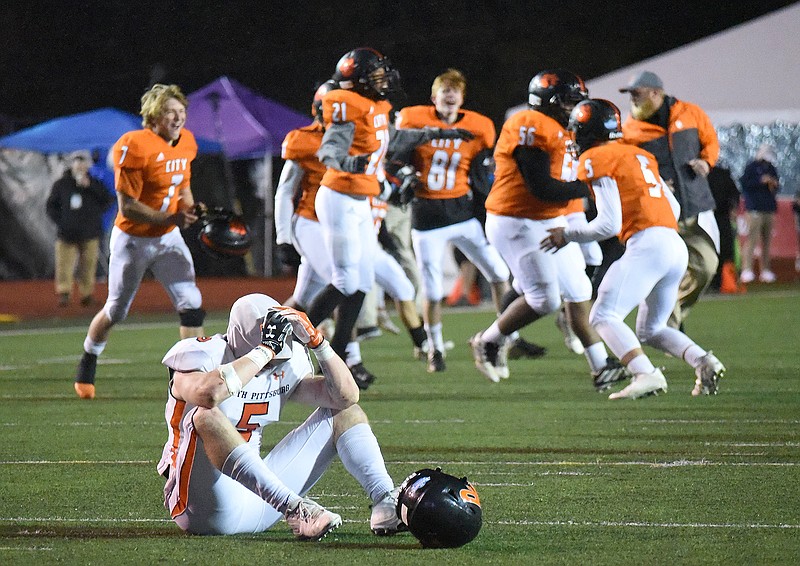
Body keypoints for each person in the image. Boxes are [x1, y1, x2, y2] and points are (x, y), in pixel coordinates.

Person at [158, 293, 404, 538]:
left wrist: (319, 344)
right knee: (205, 416)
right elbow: (209, 394)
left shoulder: (286, 359)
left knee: (345, 413)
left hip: (261, 498)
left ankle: (384, 501)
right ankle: (294, 508)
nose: (275, 362)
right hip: (199, 507)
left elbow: (346, 397)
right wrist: (264, 351)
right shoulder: (204, 354)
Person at [541, 98, 726, 398]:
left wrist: (567, 234)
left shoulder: (597, 157)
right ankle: (704, 362)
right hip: (673, 244)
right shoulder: (638, 154)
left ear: (587, 131)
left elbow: (607, 225)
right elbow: (675, 207)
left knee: (602, 316)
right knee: (651, 330)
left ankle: (645, 373)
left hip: (648, 245)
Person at [307, 49, 472, 378]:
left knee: (363, 281)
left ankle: (337, 360)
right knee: (346, 280)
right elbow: (329, 149)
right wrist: (349, 162)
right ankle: (284, 341)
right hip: (339, 196)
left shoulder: (377, 106)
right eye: (377, 75)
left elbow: (392, 138)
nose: (384, 80)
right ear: (357, 80)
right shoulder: (345, 103)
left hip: (359, 201)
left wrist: (439, 133)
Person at [471, 70, 628, 390]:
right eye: (570, 102)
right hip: (516, 219)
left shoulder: (565, 129)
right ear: (550, 102)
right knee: (544, 300)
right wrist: (587, 188)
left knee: (579, 291)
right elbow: (541, 186)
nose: (576, 109)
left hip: (550, 218)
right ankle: (488, 341)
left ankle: (601, 367)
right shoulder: (530, 124)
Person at [73, 84, 206, 400]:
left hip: (167, 237)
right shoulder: (133, 145)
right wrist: (172, 219)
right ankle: (89, 357)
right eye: (170, 112)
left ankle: (189, 378)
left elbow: (183, 186)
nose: (178, 117)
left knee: (192, 303)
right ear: (153, 116)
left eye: (181, 111)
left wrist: (191, 209)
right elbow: (128, 205)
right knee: (117, 310)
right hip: (133, 239)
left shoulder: (186, 141)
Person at [396, 69, 511, 373]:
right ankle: (434, 347)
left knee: (500, 274)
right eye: (444, 90)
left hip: (463, 213)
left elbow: (487, 163)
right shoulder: (413, 118)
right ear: (434, 97)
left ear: (461, 98)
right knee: (433, 292)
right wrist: (401, 172)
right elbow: (393, 152)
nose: (449, 96)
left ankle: (500, 337)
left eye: (455, 91)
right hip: (427, 216)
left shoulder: (479, 125)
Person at [619, 70, 720, 329]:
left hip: (694, 204)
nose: (633, 100)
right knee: (661, 273)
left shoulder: (690, 113)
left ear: (656, 93)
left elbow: (710, 141)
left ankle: (670, 318)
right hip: (658, 212)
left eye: (637, 93)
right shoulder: (630, 128)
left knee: (706, 266)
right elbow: (629, 168)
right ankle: (667, 327)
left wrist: (707, 162)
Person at [45, 150, 114, 307]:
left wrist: (90, 188)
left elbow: (108, 199)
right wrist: (61, 222)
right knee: (64, 264)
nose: (80, 165)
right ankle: (64, 293)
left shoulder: (95, 183)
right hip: (66, 233)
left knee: (88, 265)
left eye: (83, 162)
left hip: (89, 232)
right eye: (77, 162)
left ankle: (87, 294)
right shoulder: (62, 184)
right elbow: (51, 206)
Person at [739, 144, 780, 283]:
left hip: (769, 208)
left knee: (767, 241)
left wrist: (772, 182)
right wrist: (760, 181)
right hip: (754, 209)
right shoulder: (751, 167)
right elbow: (744, 184)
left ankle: (766, 270)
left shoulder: (771, 168)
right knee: (752, 239)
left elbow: (777, 186)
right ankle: (747, 269)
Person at [707, 162, 742, 292]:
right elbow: (734, 194)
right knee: (723, 250)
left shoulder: (699, 173)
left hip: (710, 218)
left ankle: (719, 281)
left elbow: (734, 194)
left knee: (714, 249)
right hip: (720, 217)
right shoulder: (723, 174)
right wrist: (732, 206)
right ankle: (723, 281)